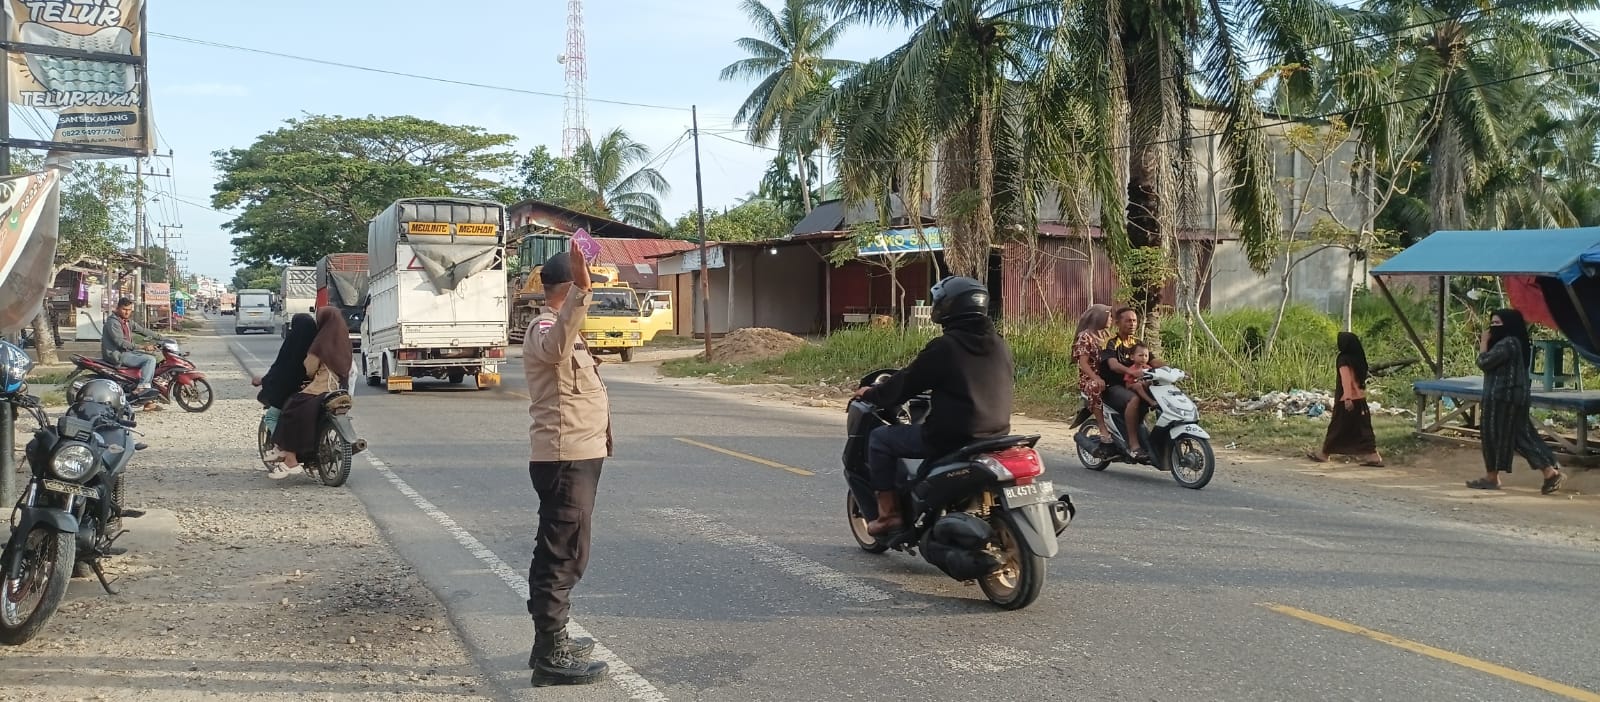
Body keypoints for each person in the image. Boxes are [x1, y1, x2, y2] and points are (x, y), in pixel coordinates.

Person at [853, 276, 1015, 536]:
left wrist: (872, 393)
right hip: (997, 435)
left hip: (950, 437)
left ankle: (888, 515)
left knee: (880, 440)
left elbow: (905, 384)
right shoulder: (999, 344)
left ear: (948, 307)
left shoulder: (945, 347)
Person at [523, 246, 611, 687]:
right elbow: (556, 349)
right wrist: (581, 292)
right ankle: (551, 654)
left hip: (579, 454)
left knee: (569, 550)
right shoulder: (545, 327)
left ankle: (549, 643)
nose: (591, 295)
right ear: (568, 286)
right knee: (562, 555)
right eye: (583, 285)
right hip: (564, 457)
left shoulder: (566, 329)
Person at [1468, 309, 1565, 494]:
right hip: (1510, 395)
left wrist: (1483, 342)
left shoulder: (1508, 343)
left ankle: (1547, 472)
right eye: (1492, 324)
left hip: (1503, 397)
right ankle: (1546, 472)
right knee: (1516, 435)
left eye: (1498, 324)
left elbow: (1484, 362)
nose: (1493, 328)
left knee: (1501, 435)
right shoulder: (1514, 342)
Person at [264, 307, 351, 478]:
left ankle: (290, 458)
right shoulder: (344, 342)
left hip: (320, 388)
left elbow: (310, 368)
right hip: (340, 390)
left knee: (290, 409)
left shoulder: (320, 343)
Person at [1308, 332, 1384, 466]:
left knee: (1336, 428)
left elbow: (1346, 380)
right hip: (1360, 399)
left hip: (1346, 400)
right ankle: (1373, 456)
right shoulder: (1359, 358)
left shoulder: (1343, 359)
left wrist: (1347, 398)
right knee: (1363, 428)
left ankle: (1324, 454)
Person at [1101, 307, 1166, 460]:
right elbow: (1113, 364)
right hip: (1114, 387)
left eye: (1135, 320)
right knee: (1134, 399)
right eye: (1128, 320)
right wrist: (1130, 372)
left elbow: (1153, 360)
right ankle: (1134, 445)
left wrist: (1171, 369)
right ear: (1117, 323)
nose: (1132, 324)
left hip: (1138, 384)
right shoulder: (1110, 343)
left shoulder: (1138, 343)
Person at [251, 313, 317, 436]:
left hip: (291, 393)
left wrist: (264, 380)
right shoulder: (317, 347)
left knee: (271, 417)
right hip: (315, 391)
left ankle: (284, 448)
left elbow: (280, 373)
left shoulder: (292, 347)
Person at [1072, 304, 1115, 455]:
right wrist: (1096, 377)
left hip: (1106, 376)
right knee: (1095, 387)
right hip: (1090, 378)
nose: (1111, 319)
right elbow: (1083, 363)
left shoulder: (1106, 335)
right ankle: (1102, 428)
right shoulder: (1085, 336)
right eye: (1109, 315)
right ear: (1099, 317)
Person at [101, 297, 161, 403]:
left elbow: (142, 330)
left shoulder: (127, 322)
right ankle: (141, 388)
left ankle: (149, 401)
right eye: (124, 309)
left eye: (129, 310)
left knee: (155, 358)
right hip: (117, 355)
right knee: (149, 360)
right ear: (118, 308)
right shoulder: (113, 323)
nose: (127, 312)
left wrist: (160, 338)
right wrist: (143, 347)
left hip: (126, 352)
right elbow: (120, 342)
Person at [1123, 343, 1158, 408]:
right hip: (1133, 386)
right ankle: (1151, 402)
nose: (1143, 358)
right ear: (1132, 357)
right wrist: (1135, 383)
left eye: (1146, 356)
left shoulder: (1148, 368)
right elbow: (1127, 384)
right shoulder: (1131, 370)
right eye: (1140, 355)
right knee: (1138, 385)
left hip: (1145, 387)